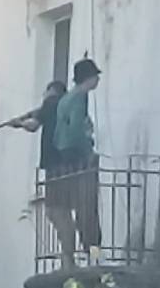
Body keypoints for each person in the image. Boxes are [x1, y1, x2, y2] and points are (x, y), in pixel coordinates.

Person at [11, 81, 78, 268]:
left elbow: (33, 125)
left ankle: (68, 258)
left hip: (55, 165)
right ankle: (68, 257)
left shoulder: (51, 103)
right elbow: (38, 114)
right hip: (69, 164)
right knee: (63, 211)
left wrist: (19, 123)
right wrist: (27, 116)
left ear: (50, 91)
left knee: (55, 211)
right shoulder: (66, 106)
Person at [53, 58, 103, 263]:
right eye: (95, 76)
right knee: (88, 209)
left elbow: (60, 130)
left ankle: (82, 256)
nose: (97, 80)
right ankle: (95, 257)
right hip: (78, 156)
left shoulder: (65, 98)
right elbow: (75, 129)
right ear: (88, 78)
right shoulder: (80, 97)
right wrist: (88, 149)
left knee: (77, 208)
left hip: (64, 155)